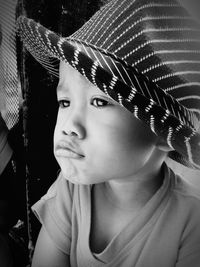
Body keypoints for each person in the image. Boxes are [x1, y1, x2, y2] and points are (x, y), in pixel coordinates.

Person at [17, 0, 200, 266]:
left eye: (100, 102)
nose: (69, 124)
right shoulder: (71, 189)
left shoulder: (190, 220)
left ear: (162, 133)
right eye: (65, 102)